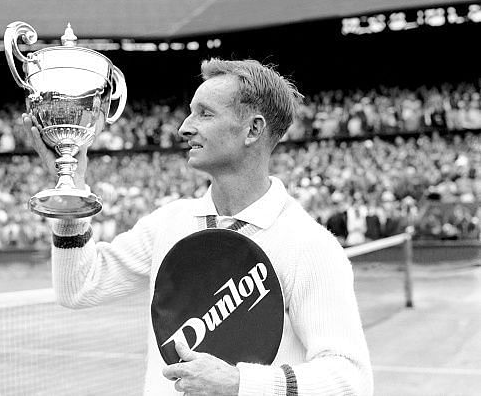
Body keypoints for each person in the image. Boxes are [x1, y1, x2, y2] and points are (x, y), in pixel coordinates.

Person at [22, 58, 373, 396]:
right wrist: (70, 190)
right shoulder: (170, 222)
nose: (184, 127)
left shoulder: (309, 244)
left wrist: (239, 384)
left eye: (204, 113)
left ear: (253, 129)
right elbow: (77, 288)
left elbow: (350, 379)